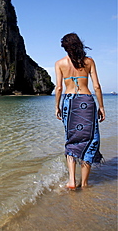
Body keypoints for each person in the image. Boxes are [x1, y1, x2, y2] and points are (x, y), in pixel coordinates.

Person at [55, 33, 105, 189]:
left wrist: (57, 106)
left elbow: (59, 88)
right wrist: (101, 106)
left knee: (72, 139)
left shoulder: (60, 63)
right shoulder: (89, 62)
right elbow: (96, 86)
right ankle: (84, 183)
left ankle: (71, 181)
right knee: (91, 140)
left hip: (69, 104)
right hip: (86, 102)